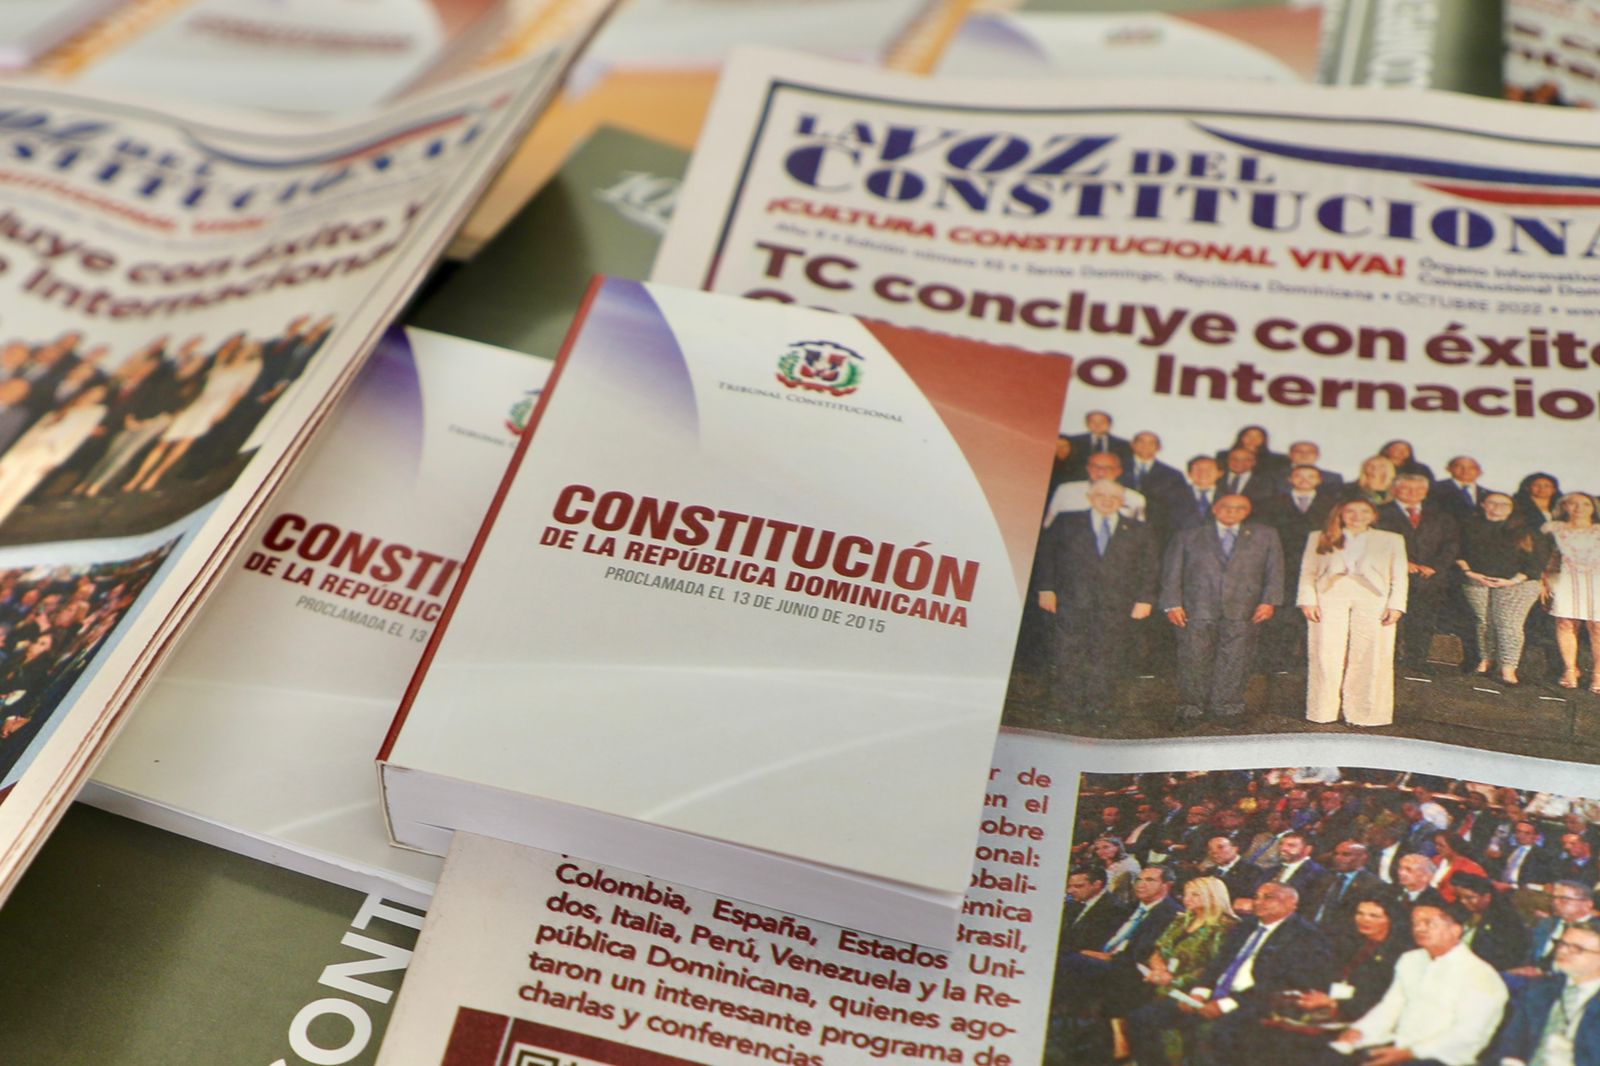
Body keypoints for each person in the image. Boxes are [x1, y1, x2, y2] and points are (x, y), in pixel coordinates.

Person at [1128, 881, 1332, 1066]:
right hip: (1214, 995)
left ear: (1292, 903)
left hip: (1256, 1002)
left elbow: (1281, 984)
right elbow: (1217, 964)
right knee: (1143, 1018)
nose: (1258, 902)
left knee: (1212, 1033)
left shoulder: (1304, 936)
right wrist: (1199, 993)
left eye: (1268, 897)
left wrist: (1226, 1004)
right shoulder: (1247, 926)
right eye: (1256, 897)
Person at [1034, 479, 1158, 717]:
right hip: (1071, 600)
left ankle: (1099, 708)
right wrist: (1046, 589)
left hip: (1117, 604)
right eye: (1101, 495)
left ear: (1122, 502)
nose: (1107, 500)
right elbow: (1046, 556)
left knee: (1107, 655)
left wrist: (1145, 599)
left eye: (1114, 497)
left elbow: (1150, 567)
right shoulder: (1066, 521)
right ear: (1090, 497)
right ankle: (1067, 708)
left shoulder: (1140, 530)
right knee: (1068, 653)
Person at [1329, 902, 1508, 1066]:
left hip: (1443, 1058)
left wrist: (1411, 1053)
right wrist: (1361, 1031)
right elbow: (1391, 1007)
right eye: (1415, 923)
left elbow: (1470, 1034)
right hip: (1399, 1046)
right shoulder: (1410, 960)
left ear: (1456, 930)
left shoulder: (1480, 975)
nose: (1419, 928)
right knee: (1328, 1054)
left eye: (1428, 923)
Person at [1160, 494, 1283, 721]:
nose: (1233, 511)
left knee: (1236, 658)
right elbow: (1172, 572)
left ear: (1248, 512)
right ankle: (1191, 708)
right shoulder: (1188, 536)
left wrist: (1269, 601)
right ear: (1215, 509)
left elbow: (1274, 570)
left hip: (1245, 608)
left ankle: (1227, 707)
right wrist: (1172, 604)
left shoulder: (1266, 535)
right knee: (1194, 657)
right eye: (1226, 507)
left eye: (1240, 508)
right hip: (1196, 607)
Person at [1257, 896, 1411, 1060]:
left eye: (1374, 916)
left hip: (1363, 1018)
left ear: (1391, 920)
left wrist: (1332, 1003)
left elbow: (1381, 1000)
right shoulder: (1351, 943)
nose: (1364, 920)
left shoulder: (1399, 954)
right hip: (1331, 1008)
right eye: (1360, 913)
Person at [1299, 499, 1409, 726]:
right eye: (1350, 511)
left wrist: (1396, 606)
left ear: (1374, 515)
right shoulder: (1320, 536)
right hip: (1329, 595)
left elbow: (1399, 575)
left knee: (1372, 653)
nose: (1357, 516)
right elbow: (1308, 571)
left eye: (1364, 511)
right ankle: (1322, 711)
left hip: (1374, 598)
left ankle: (1365, 714)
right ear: (1340, 513)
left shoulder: (1391, 539)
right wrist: (1308, 601)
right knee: (1325, 653)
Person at [1126, 876, 1239, 1064]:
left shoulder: (1226, 927)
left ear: (1212, 896)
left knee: (1142, 1018)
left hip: (1193, 989)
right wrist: (1160, 970)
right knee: (1124, 992)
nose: (1187, 899)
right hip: (1162, 980)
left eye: (1195, 895)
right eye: (1186, 894)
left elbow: (1215, 967)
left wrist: (1174, 980)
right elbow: (1158, 949)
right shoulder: (1182, 919)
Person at [1457, 492, 1544, 685]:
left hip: (1518, 583)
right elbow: (1458, 553)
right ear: (1483, 504)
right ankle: (1486, 660)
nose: (1498, 507)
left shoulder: (1526, 531)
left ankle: (1508, 669)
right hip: (1477, 580)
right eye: (1492, 502)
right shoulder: (1468, 527)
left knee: (1508, 624)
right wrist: (1470, 573)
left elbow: (1536, 563)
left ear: (1512, 508)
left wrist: (1511, 581)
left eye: (1504, 504)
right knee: (1484, 621)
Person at [1379, 473, 1460, 673]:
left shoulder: (1441, 515)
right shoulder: (1379, 513)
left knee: (1423, 620)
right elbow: (1373, 544)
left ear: (1426, 492)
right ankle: (1388, 660)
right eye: (1406, 488)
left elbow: (1451, 545)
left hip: (1429, 577)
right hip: (1391, 575)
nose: (1412, 493)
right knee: (1390, 618)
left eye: (1419, 489)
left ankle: (1417, 660)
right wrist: (1402, 563)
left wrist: (1435, 567)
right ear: (1395, 490)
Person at [1494, 918, 1600, 1066]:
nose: (1563, 951)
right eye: (1562, 944)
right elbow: (1512, 1041)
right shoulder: (1540, 989)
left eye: (1577, 948)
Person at [1542, 492, 1600, 691]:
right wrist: (1545, 580)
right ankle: (1570, 669)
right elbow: (1544, 556)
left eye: (1585, 504)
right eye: (1573, 504)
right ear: (1564, 506)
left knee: (1597, 627)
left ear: (1593, 508)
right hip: (1566, 579)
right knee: (1566, 623)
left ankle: (1598, 674)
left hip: (1596, 581)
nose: (1579, 508)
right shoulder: (1553, 528)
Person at [1509, 880, 1600, 978]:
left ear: (1587, 905)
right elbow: (1531, 953)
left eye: (1563, 899)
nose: (1555, 903)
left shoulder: (1595, 931)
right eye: (1554, 898)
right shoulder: (1547, 923)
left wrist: (1547, 974)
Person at [1042, 450, 1148, 526]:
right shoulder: (1066, 490)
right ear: (1088, 468)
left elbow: (1139, 531)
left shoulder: (1135, 498)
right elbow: (1049, 524)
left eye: (1108, 468)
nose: (1100, 472)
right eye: (1095, 467)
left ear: (1118, 471)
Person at [1455, 872, 1531, 971]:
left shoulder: (1504, 920)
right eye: (1460, 897)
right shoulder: (1462, 912)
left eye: (1469, 898)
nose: (1463, 901)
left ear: (1487, 897)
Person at [1067, 409, 1132, 475]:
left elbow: (1126, 467)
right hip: (1079, 478)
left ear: (1110, 424)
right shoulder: (1073, 441)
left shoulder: (1123, 444)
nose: (1097, 425)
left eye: (1102, 422)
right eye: (1093, 422)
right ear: (1087, 424)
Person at [1429, 831, 1489, 902]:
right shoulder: (1436, 860)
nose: (1437, 847)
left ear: (1453, 847)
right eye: (1436, 844)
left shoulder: (1471, 868)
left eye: (1441, 845)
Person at [1429, 455, 1496, 519]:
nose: (1465, 470)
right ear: (1448, 469)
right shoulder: (1434, 488)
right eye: (1459, 466)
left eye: (1471, 468)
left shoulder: (1489, 494)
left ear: (1480, 472)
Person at [1279, 440, 1345, 491]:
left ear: (1318, 455)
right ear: (1290, 455)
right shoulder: (1276, 476)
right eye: (1298, 451)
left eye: (1310, 452)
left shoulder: (1333, 478)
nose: (1304, 455)